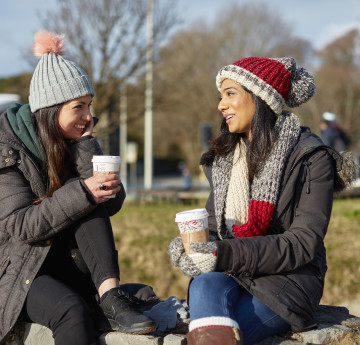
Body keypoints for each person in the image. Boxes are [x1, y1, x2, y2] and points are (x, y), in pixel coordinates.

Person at [168, 57, 355, 345]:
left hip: (287, 282)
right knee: (204, 284)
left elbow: (303, 243)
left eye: (231, 94)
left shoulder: (310, 158)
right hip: (233, 273)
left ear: (261, 98)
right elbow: (216, 231)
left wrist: (222, 253)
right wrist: (191, 249)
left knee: (220, 333)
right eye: (221, 96)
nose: (220, 105)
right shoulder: (225, 160)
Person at [0, 29, 156, 345]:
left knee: (87, 195)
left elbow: (110, 204)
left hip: (64, 260)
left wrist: (87, 146)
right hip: (19, 271)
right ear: (51, 109)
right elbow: (19, 226)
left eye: (89, 105)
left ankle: (110, 295)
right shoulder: (8, 149)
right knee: (71, 309)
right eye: (78, 107)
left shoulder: (72, 141)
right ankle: (104, 299)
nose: (88, 116)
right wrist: (83, 191)